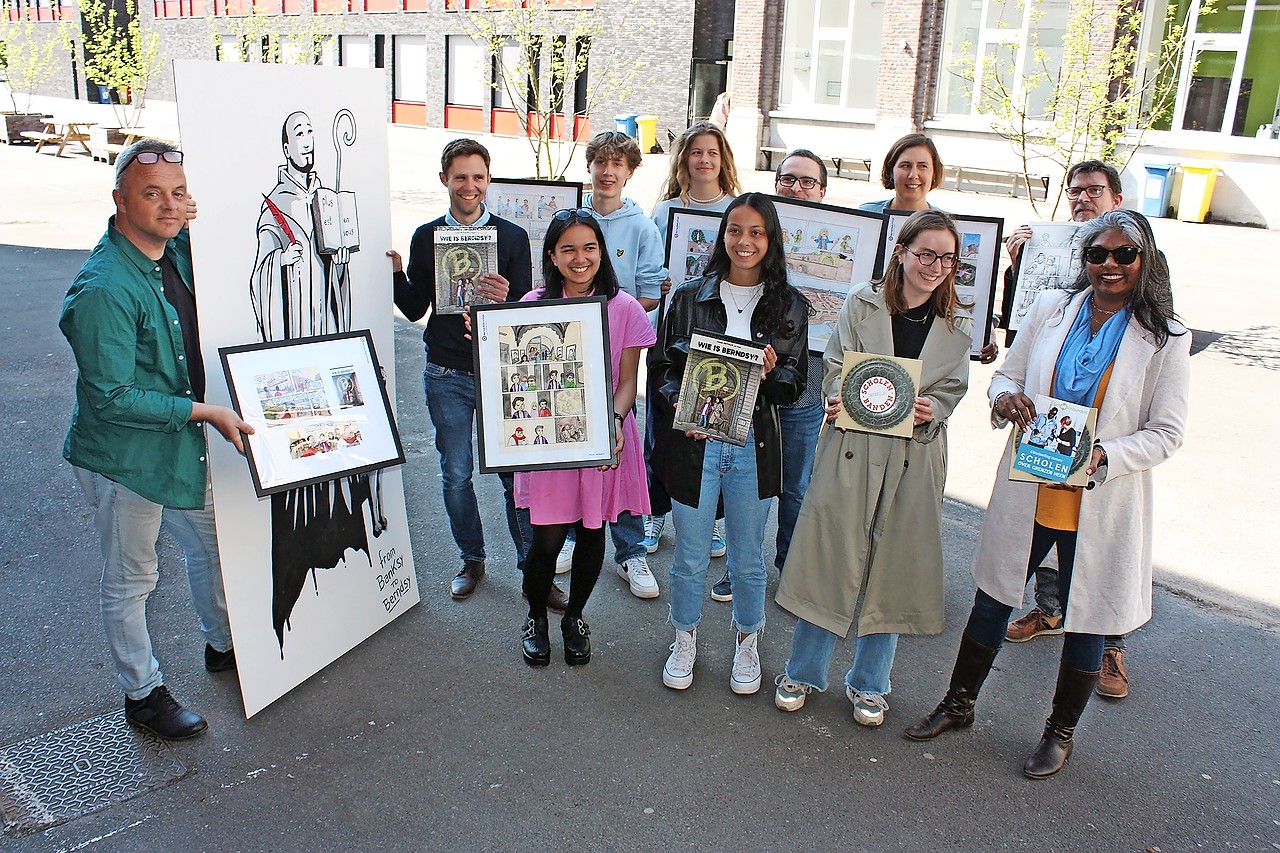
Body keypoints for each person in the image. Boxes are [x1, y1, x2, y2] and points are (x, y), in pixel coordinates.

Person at [904, 210, 1190, 778]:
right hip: (1031, 486)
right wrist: (1005, 400)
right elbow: (1007, 376)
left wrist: (1105, 456)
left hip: (1099, 497)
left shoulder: (1165, 337)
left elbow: (1167, 432)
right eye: (1097, 254)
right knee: (993, 597)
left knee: (1087, 614)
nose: (1109, 265)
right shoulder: (1050, 309)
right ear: (1083, 260)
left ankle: (1059, 735)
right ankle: (959, 704)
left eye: (1123, 255)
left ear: (1145, 260)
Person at [60, 139, 254, 740]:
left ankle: (224, 647)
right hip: (124, 457)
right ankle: (143, 694)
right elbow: (111, 397)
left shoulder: (175, 251)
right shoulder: (102, 288)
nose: (169, 206)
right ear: (119, 200)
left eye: (178, 193)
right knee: (132, 579)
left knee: (214, 549)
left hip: (180, 442)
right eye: (152, 194)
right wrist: (205, 411)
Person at [773, 210, 972, 726]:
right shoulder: (862, 301)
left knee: (894, 566)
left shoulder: (957, 321)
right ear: (902, 250)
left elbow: (953, 386)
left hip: (915, 453)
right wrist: (838, 397)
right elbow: (837, 366)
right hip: (853, 447)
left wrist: (937, 409)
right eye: (924, 253)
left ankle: (869, 683)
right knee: (830, 554)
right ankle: (802, 670)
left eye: (946, 258)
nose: (934, 266)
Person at [390, 139, 562, 610]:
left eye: (478, 177)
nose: (470, 186)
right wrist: (395, 273)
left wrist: (505, 298)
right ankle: (472, 559)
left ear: (489, 180)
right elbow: (413, 308)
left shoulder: (508, 237)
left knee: (516, 478)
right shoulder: (426, 236)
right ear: (444, 178)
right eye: (460, 176)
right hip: (445, 372)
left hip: (499, 374)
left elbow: (527, 311)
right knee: (456, 475)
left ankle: (535, 570)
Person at [651, 193, 809, 695]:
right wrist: (685, 412)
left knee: (747, 556)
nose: (745, 241)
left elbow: (795, 383)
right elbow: (663, 370)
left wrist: (770, 372)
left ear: (771, 239)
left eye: (757, 232)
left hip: (753, 445)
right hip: (695, 442)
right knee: (691, 554)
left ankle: (747, 640)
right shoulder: (689, 297)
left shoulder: (789, 304)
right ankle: (684, 636)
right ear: (723, 235)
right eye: (735, 230)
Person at [998, 160, 1132, 698]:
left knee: (1100, 554)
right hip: (1051, 425)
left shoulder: (1133, 257)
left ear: (1116, 199)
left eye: (1093, 191)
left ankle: (1110, 649)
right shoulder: (1048, 245)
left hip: (1104, 437)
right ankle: (1049, 611)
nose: (1082, 199)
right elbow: (1018, 325)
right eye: (1074, 192)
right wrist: (1014, 266)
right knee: (1047, 527)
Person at [517, 209, 656, 666]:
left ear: (603, 251)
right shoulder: (531, 305)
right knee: (545, 540)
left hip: (604, 441)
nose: (581, 258)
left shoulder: (625, 307)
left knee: (594, 532)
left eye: (590, 247)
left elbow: (629, 382)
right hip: (549, 443)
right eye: (569, 249)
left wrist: (613, 422)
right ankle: (536, 614)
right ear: (553, 256)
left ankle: (574, 616)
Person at [556, 131, 667, 599]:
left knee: (620, 454)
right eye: (600, 161)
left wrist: (605, 314)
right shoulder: (569, 219)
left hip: (617, 351)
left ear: (630, 171)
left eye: (617, 163)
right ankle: (564, 536)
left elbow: (650, 292)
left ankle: (631, 552)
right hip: (567, 356)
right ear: (590, 167)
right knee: (565, 450)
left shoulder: (642, 227)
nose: (607, 170)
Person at [644, 122, 743, 566]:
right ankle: (655, 512)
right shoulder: (665, 212)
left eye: (712, 152)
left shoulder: (736, 210)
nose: (703, 160)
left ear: (723, 160)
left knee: (716, 429)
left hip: (723, 336)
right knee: (663, 429)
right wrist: (660, 283)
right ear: (683, 160)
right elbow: (649, 269)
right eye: (695, 152)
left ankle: (715, 521)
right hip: (671, 335)